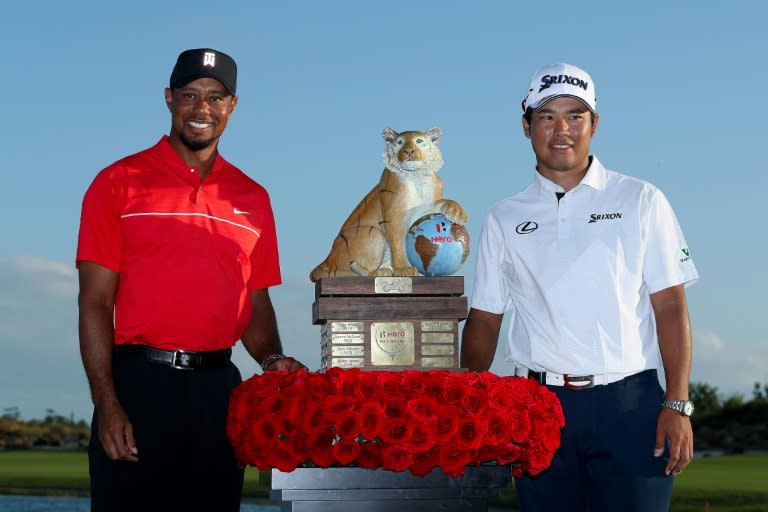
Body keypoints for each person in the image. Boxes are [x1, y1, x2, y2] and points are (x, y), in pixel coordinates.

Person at [460, 62, 699, 511]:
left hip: (631, 406)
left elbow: (670, 306)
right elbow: (486, 318)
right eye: (547, 116)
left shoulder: (641, 198)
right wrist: (469, 400)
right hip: (538, 408)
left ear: (595, 124)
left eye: (575, 115)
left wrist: (679, 403)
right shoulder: (503, 216)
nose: (561, 129)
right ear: (526, 124)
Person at [76, 48, 304, 512]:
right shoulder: (117, 181)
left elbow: (254, 301)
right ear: (169, 99)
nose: (202, 108)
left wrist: (272, 357)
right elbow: (95, 303)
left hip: (218, 393)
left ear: (232, 106)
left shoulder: (253, 197)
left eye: (215, 97)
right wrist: (108, 403)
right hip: (139, 387)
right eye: (190, 95)